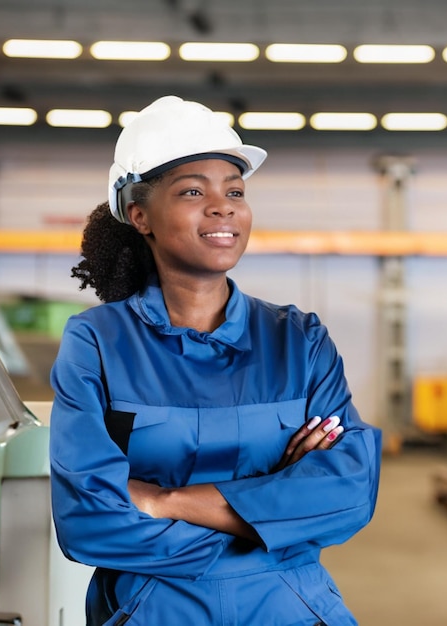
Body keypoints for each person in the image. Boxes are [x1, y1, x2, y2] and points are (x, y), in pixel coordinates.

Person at [49, 95, 381, 626]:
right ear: (140, 215)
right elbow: (86, 519)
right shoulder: (97, 344)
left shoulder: (300, 340)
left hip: (290, 610)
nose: (223, 206)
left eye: (235, 191)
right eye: (191, 191)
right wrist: (275, 518)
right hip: (153, 610)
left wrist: (164, 500)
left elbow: (347, 493)